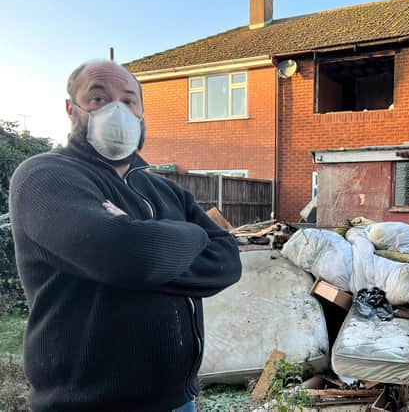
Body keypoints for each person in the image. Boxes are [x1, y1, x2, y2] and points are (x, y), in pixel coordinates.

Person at [9, 60, 242, 411]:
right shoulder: (44, 176)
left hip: (178, 401)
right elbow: (130, 256)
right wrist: (194, 234)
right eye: (98, 98)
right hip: (86, 404)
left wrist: (148, 246)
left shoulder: (166, 190)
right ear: (71, 109)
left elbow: (227, 261)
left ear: (142, 112)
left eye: (128, 100)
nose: (117, 110)